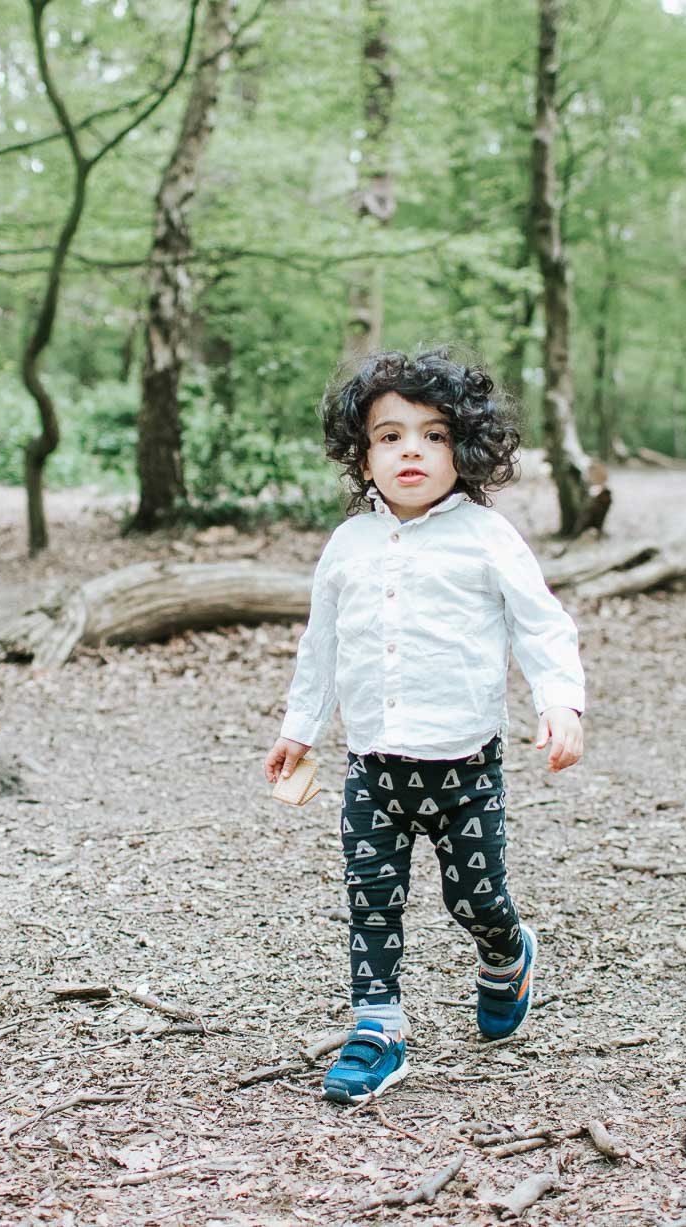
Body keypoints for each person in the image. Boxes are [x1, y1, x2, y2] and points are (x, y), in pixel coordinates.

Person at [263, 346, 586, 1106]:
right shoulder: (348, 545)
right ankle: (377, 1029)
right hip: (372, 768)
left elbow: (541, 625)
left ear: (465, 449)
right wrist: (298, 728)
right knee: (370, 897)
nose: (412, 449)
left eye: (435, 435)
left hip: (464, 771)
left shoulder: (485, 536)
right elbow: (322, 646)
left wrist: (560, 702)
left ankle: (508, 954)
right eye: (391, 435)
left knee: (474, 899)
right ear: (362, 453)